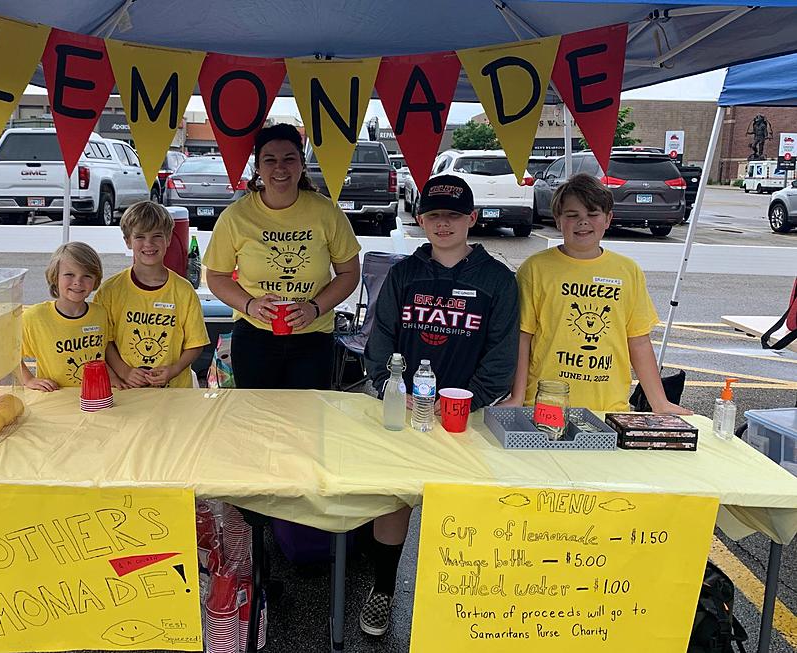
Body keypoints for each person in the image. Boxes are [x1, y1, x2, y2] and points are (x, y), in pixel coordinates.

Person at [360, 173, 519, 637]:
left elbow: (502, 353)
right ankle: (383, 589)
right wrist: (388, 384)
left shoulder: (497, 281)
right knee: (394, 501)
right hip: (406, 408)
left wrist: (468, 401)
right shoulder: (404, 274)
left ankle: (462, 602)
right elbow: (381, 335)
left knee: (465, 509)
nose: (443, 224)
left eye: (453, 215)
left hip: (465, 415)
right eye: (434, 215)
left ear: (472, 218)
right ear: (420, 218)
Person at [505, 173, 692, 414]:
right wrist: (518, 396)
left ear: (608, 219)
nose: (583, 222)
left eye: (592, 214)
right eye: (572, 215)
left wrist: (660, 403)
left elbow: (639, 341)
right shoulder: (535, 269)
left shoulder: (627, 271)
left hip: (609, 406)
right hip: (546, 403)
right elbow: (523, 338)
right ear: (558, 220)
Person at [204, 123, 361, 389]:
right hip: (254, 337)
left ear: (302, 164)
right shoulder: (236, 217)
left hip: (313, 338)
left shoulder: (327, 213)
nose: (280, 168)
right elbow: (217, 276)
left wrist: (314, 308)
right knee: (257, 420)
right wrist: (250, 305)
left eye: (289, 159)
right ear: (258, 167)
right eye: (270, 160)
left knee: (307, 421)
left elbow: (349, 273)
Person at [98, 201, 209, 388]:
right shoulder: (110, 290)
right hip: (128, 391)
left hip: (175, 394)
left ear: (168, 240)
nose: (148, 244)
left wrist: (174, 369)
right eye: (139, 236)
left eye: (156, 236)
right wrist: (124, 371)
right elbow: (103, 341)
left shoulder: (183, 290)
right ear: (127, 241)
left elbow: (195, 343)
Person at [21, 242, 113, 391]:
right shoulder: (35, 317)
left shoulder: (100, 314)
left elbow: (103, 353)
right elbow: (7, 352)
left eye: (87, 276)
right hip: (56, 398)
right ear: (55, 276)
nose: (78, 282)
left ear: (96, 281)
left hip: (95, 396)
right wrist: (28, 379)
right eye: (69, 274)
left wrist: (114, 377)